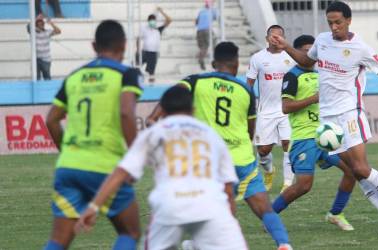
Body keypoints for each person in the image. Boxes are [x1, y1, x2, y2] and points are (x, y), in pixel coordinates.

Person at [271, 1, 378, 235]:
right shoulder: (322, 41)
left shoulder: (361, 48)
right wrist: (286, 47)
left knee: (361, 168)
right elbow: (305, 61)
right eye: (330, 23)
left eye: (338, 23)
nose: (334, 27)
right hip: (328, 122)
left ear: (349, 21)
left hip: (350, 114)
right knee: (355, 171)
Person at [149, 42, 292, 250]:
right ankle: (284, 244)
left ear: (214, 62)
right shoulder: (245, 90)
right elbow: (249, 130)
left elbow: (173, 93)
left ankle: (198, 243)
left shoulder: (196, 82)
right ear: (236, 64)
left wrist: (154, 117)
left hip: (209, 161)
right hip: (242, 159)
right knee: (264, 208)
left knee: (215, 211)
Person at [75, 86, 247, 250]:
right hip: (210, 204)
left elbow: (121, 173)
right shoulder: (212, 135)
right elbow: (228, 190)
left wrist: (93, 207)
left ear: (162, 112)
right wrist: (227, 223)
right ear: (193, 111)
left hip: (170, 204)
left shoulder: (154, 132)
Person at [44, 20, 143, 249]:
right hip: (105, 168)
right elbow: (126, 112)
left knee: (58, 242)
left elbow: (51, 119)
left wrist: (67, 151)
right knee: (130, 232)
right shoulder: (127, 74)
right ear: (124, 45)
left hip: (69, 167)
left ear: (93, 46)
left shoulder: (74, 76)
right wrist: (136, 156)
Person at [271, 35, 356, 231]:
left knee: (352, 170)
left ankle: (335, 214)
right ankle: (270, 216)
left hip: (326, 135)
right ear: (297, 53)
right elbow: (286, 107)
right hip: (304, 138)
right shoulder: (292, 76)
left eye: (313, 50)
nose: (311, 55)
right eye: (307, 51)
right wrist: (314, 98)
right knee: (303, 185)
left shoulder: (322, 73)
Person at [246, 25, 296, 193]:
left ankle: (288, 183)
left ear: (284, 38)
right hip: (266, 111)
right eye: (272, 36)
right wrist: (247, 106)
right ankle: (269, 172)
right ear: (267, 38)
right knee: (263, 150)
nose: (276, 39)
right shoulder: (258, 58)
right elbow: (249, 85)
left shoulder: (292, 57)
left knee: (288, 145)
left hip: (287, 109)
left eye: (279, 36)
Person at [137, 7, 172, 83]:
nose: (152, 22)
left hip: (153, 53)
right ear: (148, 21)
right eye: (151, 20)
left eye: (153, 20)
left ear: (155, 21)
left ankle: (151, 86)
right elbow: (138, 38)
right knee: (136, 67)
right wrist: (137, 50)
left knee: (151, 73)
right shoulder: (144, 28)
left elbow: (169, 20)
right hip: (144, 52)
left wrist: (161, 11)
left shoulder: (158, 29)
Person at [27, 15, 61, 80]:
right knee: (36, 78)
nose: (41, 25)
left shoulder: (47, 32)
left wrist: (51, 23)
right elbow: (28, 27)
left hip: (46, 60)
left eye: (42, 24)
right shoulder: (33, 33)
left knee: (47, 78)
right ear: (36, 25)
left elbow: (58, 31)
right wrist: (36, 18)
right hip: (36, 59)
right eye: (39, 24)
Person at [195, 0, 217, 70]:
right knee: (212, 42)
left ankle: (201, 55)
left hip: (199, 31)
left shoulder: (201, 11)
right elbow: (215, 18)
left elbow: (196, 22)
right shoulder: (212, 10)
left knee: (202, 46)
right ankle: (214, 57)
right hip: (207, 30)